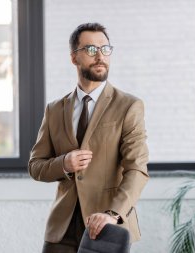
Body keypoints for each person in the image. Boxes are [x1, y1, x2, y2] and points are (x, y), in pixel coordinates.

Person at [28, 22, 149, 253]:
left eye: (105, 49)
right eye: (91, 50)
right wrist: (63, 163)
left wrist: (112, 214)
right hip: (61, 229)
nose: (100, 56)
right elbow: (35, 166)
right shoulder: (54, 110)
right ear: (74, 58)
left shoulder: (129, 106)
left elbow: (137, 169)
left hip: (106, 225)